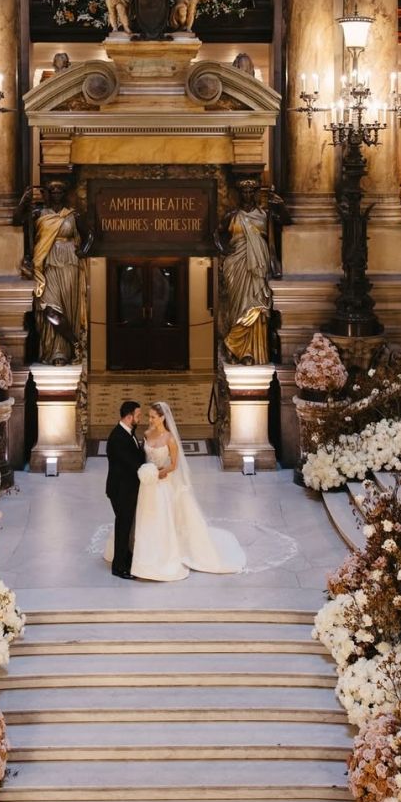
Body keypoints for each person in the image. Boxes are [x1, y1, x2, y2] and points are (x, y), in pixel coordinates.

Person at [129, 402, 246, 582]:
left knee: (161, 518)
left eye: (153, 416)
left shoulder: (170, 439)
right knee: (146, 517)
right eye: (149, 416)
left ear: (162, 418)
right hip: (147, 484)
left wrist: (157, 474)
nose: (150, 420)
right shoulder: (146, 434)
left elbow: (174, 465)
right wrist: (146, 473)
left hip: (162, 483)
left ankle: (164, 556)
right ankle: (144, 557)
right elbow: (145, 457)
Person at [13, 179, 91, 365]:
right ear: (47, 193)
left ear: (65, 194)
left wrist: (84, 250)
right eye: (52, 190)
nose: (56, 193)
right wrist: (23, 202)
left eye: (60, 190)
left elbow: (90, 235)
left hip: (70, 264)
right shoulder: (39, 213)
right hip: (46, 263)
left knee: (68, 307)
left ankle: (63, 353)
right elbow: (17, 220)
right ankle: (69, 344)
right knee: (49, 308)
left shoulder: (72, 215)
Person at [214, 177, 285, 365]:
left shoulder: (264, 214)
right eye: (244, 192)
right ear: (239, 194)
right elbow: (217, 232)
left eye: (250, 192)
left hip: (258, 266)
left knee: (256, 306)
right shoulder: (232, 215)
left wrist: (280, 207)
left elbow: (285, 222)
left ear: (255, 194)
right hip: (237, 264)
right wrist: (223, 249)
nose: (247, 195)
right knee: (238, 306)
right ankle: (236, 348)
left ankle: (252, 353)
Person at [105, 400, 144, 579]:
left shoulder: (127, 432)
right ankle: (119, 567)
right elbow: (132, 464)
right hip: (121, 490)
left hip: (127, 488)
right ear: (129, 417)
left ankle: (126, 558)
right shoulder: (118, 438)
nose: (139, 418)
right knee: (123, 527)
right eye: (138, 415)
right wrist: (152, 470)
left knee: (127, 526)